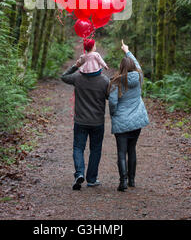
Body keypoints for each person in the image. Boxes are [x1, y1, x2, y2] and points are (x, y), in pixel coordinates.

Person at [61, 39, 109, 190]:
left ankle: (79, 173)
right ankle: (92, 179)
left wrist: (76, 65)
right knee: (95, 149)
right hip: (97, 122)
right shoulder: (104, 81)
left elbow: (64, 76)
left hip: (80, 120)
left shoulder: (77, 78)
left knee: (78, 148)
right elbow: (110, 97)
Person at [108, 40, 149, 192]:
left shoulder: (115, 83)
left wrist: (114, 115)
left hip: (121, 121)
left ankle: (123, 181)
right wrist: (127, 51)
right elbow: (138, 65)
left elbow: (112, 104)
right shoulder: (139, 77)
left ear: (121, 67)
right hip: (136, 121)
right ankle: (132, 180)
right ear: (132, 66)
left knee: (121, 152)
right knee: (132, 150)